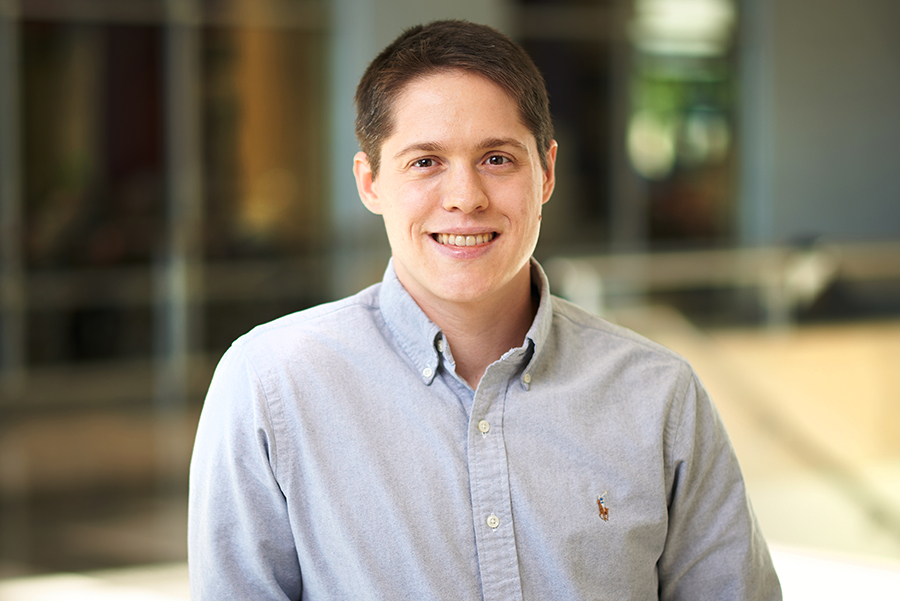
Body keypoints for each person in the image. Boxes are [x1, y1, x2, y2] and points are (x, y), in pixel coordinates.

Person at [188, 19, 782, 600]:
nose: (466, 197)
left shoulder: (658, 396)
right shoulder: (271, 385)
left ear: (546, 173)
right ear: (370, 183)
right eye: (425, 162)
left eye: (497, 159)